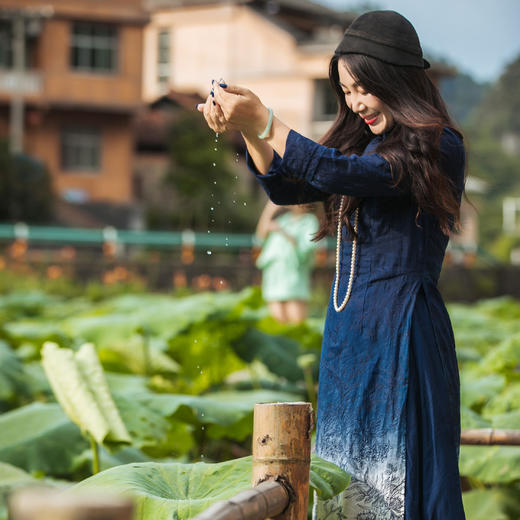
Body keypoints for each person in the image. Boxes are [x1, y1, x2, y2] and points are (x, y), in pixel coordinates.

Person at [198, 10, 466, 519]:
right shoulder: (359, 142)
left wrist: (266, 120)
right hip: (347, 333)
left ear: (397, 79)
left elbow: (331, 169)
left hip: (402, 327)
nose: (355, 103)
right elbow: (288, 185)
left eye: (363, 88)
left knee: (401, 476)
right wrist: (250, 130)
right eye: (345, 91)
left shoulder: (438, 144)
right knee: (347, 474)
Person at [255, 200, 319, 323]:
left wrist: (282, 232)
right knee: (277, 325)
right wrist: (269, 209)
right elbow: (259, 238)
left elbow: (305, 249)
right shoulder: (284, 219)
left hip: (294, 278)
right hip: (274, 277)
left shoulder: (309, 221)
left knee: (296, 326)